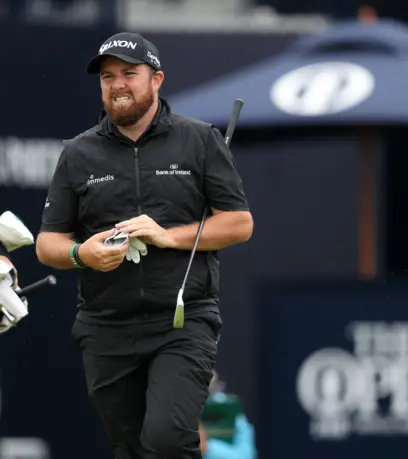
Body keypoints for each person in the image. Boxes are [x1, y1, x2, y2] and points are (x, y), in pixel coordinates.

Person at [35, 32, 253, 458]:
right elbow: (48, 243)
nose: (117, 84)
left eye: (129, 74)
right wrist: (84, 254)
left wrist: (168, 236)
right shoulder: (78, 154)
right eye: (108, 76)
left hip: (181, 322)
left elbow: (239, 223)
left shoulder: (200, 140)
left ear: (156, 80)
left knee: (168, 440)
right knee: (132, 449)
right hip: (106, 327)